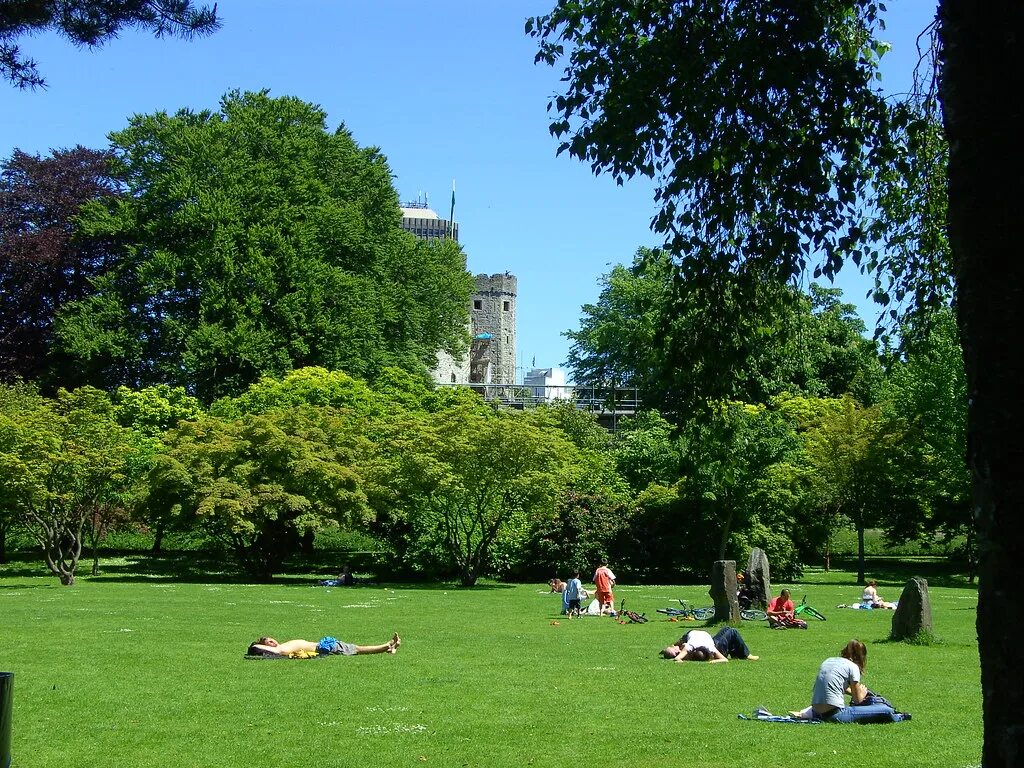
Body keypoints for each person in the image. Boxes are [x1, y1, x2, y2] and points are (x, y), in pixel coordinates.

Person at [789, 640, 902, 723]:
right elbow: (858, 700)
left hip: (816, 711)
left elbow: (834, 686)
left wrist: (853, 691)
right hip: (834, 714)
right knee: (886, 710)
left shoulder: (829, 661)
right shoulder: (853, 667)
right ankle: (900, 716)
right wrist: (862, 692)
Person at [247, 633, 400, 658]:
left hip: (325, 643)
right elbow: (254, 648)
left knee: (355, 648)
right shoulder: (281, 649)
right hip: (325, 647)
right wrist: (257, 645)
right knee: (357, 648)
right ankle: (388, 646)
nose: (272, 641)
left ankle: (389, 647)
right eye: (268, 642)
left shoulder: (283, 645)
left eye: (270, 639)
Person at [661, 627, 759, 662]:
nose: (674, 647)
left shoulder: (687, 641)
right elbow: (677, 657)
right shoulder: (689, 646)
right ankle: (746, 655)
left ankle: (736, 653)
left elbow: (678, 645)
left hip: (711, 642)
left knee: (726, 629)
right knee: (732, 631)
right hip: (717, 647)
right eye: (673, 649)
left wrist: (671, 649)